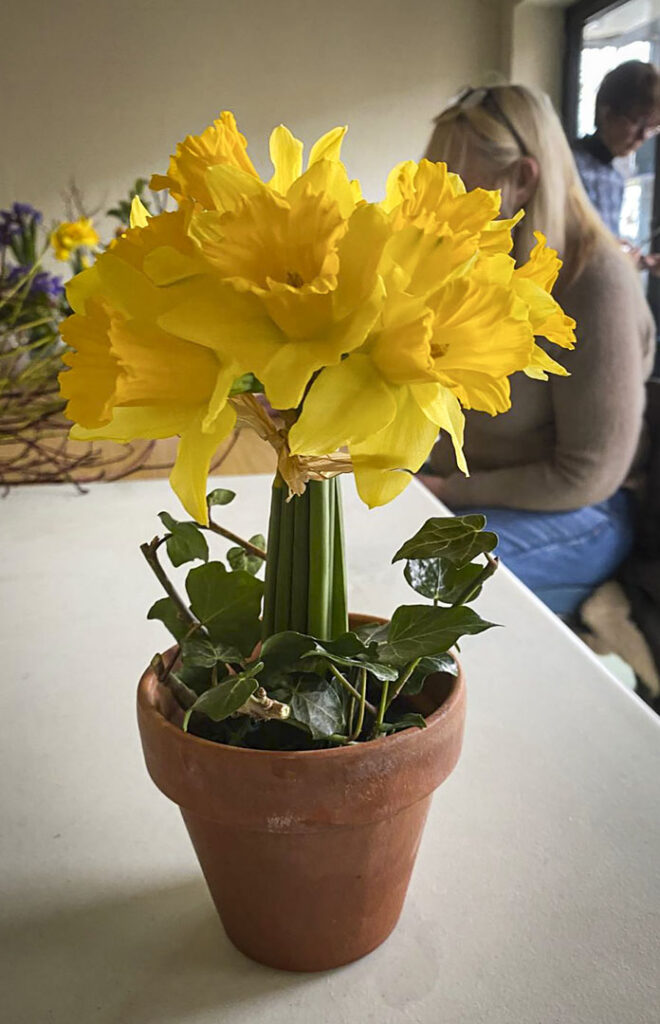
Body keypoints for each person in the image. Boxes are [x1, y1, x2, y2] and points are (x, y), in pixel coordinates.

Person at [419, 84, 656, 617]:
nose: (435, 207)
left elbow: (588, 476)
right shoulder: (472, 266)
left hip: (582, 513)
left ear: (522, 179)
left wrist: (444, 491)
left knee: (419, 588)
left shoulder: (596, 283)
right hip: (461, 491)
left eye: (454, 186)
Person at [573, 60, 660, 265]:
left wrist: (643, 262)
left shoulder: (616, 179)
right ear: (607, 112)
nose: (642, 137)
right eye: (637, 123)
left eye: (652, 129)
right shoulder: (568, 165)